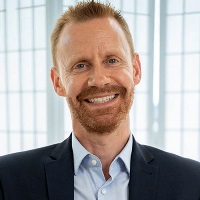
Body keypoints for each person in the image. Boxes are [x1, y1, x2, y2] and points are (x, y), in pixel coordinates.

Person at [0, 1, 200, 199]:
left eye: (112, 61)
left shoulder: (193, 181)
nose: (99, 79)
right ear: (58, 82)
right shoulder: (7, 180)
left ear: (136, 69)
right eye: (80, 65)